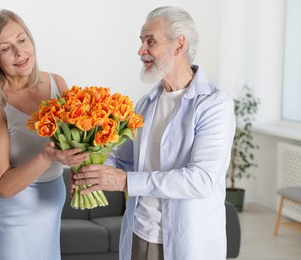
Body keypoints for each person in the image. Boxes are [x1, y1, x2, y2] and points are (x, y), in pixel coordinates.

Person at [73, 6, 236, 260]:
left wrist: (126, 181)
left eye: (150, 42)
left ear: (179, 45)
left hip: (187, 241)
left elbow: (201, 179)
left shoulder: (215, 105)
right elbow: (122, 158)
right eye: (141, 42)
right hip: (140, 234)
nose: (141, 51)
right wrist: (88, 167)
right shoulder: (146, 104)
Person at [0, 9, 89, 260]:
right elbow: (3, 186)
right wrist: (47, 156)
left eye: (22, 40)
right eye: (5, 48)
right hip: (12, 220)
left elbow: (76, 140)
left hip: (51, 208)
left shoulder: (57, 83)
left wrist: (83, 166)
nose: (19, 52)